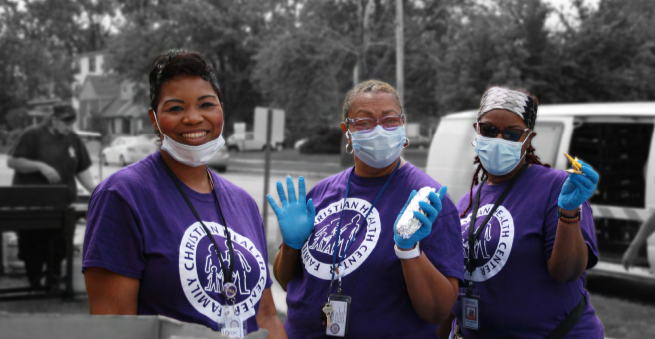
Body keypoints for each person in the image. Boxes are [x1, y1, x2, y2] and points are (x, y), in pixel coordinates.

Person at [82, 51, 286, 338]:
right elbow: (113, 329)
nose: (193, 118)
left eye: (206, 104)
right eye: (176, 108)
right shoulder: (122, 196)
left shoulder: (244, 203)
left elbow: (266, 317)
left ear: (221, 111)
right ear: (154, 119)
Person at [267, 80, 463, 338]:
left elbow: (438, 312)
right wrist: (291, 246)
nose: (379, 130)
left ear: (402, 125)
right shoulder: (322, 193)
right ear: (347, 131)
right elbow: (286, 280)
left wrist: (409, 251)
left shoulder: (427, 202)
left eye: (390, 120)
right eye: (364, 121)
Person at [440, 87, 604, 339]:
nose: (498, 139)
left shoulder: (555, 188)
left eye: (512, 134)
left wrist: (569, 212)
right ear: (477, 130)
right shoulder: (467, 201)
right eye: (489, 130)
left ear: (527, 139)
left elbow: (568, 273)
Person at [7, 103, 96, 290]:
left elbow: (82, 171)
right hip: (34, 205)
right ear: (54, 119)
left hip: (62, 204)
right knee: (33, 245)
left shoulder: (73, 139)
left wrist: (98, 192)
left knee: (60, 244)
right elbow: (13, 161)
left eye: (72, 122)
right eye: (65, 122)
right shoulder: (32, 135)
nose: (68, 126)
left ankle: (53, 280)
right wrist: (40, 166)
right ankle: (35, 280)